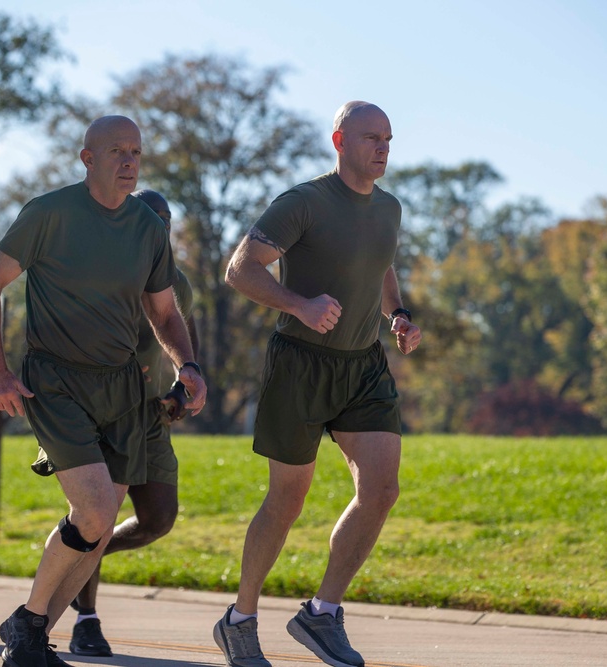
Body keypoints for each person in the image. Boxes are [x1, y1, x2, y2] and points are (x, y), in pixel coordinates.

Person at [0, 115, 207, 667]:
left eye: (136, 152)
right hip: (56, 380)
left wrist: (189, 366)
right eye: (117, 152)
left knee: (99, 530)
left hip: (123, 385)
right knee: (97, 510)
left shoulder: (149, 230)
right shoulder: (49, 213)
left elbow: (164, 313)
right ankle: (28, 621)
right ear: (88, 158)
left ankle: (30, 638)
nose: (129, 162)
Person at [213, 101, 422, 667]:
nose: (382, 148)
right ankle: (240, 619)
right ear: (339, 140)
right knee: (288, 498)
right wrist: (298, 304)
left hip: (363, 364)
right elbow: (240, 269)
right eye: (371, 137)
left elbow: (379, 264)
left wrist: (397, 313)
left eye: (389, 138)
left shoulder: (389, 209)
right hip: (300, 363)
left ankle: (322, 613)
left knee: (381, 490)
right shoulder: (302, 202)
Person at [61, 188, 199, 657]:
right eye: (149, 217)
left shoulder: (178, 282)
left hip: (151, 416)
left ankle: (81, 554)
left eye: (164, 219)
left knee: (158, 519)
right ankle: (86, 618)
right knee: (97, 520)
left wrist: (183, 385)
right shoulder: (107, 270)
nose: (157, 226)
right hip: (104, 412)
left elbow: (182, 332)